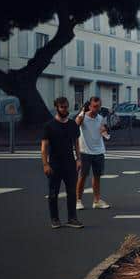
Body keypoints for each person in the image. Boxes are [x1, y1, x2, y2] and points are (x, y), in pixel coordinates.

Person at [41, 97, 83, 229]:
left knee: (71, 192)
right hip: (54, 164)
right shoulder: (49, 126)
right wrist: (45, 164)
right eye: (62, 107)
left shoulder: (72, 125)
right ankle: (54, 219)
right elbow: (44, 147)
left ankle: (72, 218)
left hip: (70, 163)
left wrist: (78, 159)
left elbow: (76, 143)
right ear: (57, 108)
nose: (65, 109)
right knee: (53, 193)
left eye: (66, 107)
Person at [75, 96, 111, 211]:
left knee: (97, 177)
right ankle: (78, 201)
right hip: (85, 151)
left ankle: (96, 200)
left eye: (99, 106)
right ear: (89, 106)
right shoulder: (83, 117)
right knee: (83, 176)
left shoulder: (100, 118)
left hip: (99, 151)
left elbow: (103, 130)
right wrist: (82, 111)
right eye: (94, 106)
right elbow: (76, 124)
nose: (97, 109)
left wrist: (105, 134)